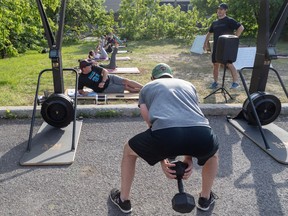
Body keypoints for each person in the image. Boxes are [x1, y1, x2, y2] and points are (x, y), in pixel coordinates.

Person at [109, 63, 219, 213]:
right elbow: (191, 118)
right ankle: (205, 198)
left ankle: (123, 200)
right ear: (171, 76)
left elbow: (151, 125)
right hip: (201, 132)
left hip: (166, 134)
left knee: (129, 151)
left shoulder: (147, 87)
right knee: (212, 154)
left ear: (152, 78)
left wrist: (162, 158)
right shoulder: (188, 85)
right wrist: (188, 158)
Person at [203, 3, 244, 89]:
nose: (219, 11)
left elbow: (241, 28)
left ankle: (235, 83)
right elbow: (209, 33)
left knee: (229, 64)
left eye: (221, 9)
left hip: (226, 47)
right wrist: (205, 43)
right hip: (216, 47)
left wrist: (234, 38)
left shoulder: (229, 20)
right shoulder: (215, 23)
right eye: (218, 9)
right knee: (215, 64)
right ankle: (215, 82)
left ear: (225, 10)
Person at [78, 58, 142, 95]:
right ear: (84, 68)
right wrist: (86, 93)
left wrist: (103, 81)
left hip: (109, 78)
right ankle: (136, 91)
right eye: (88, 65)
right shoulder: (81, 78)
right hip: (105, 88)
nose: (90, 66)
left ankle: (144, 87)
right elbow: (80, 90)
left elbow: (105, 71)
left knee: (126, 81)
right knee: (125, 87)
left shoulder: (93, 67)